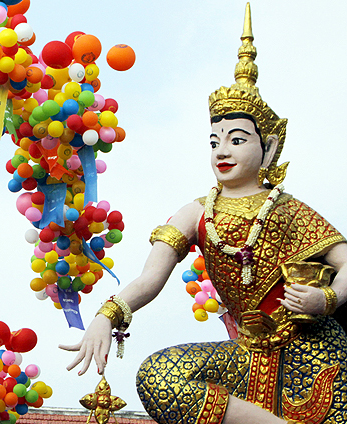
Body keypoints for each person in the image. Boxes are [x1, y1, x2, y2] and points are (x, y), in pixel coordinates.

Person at [59, 4, 347, 424]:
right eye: (215, 142)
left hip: (310, 350)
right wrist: (106, 316)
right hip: (246, 354)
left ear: (268, 147)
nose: (222, 151)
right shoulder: (195, 213)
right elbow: (149, 280)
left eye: (237, 140)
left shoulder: (289, 210)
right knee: (160, 377)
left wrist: (327, 298)